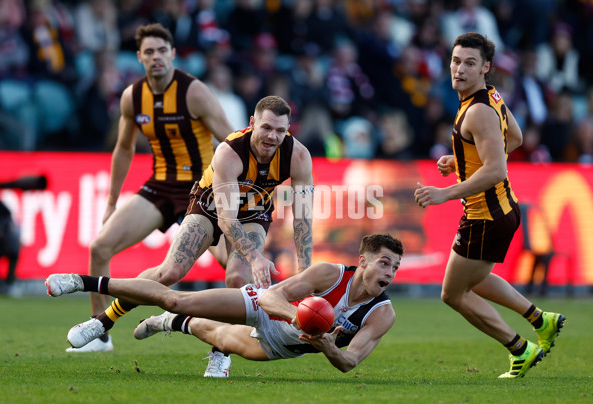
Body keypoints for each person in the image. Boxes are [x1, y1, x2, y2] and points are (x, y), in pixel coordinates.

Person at [63, 95, 315, 377]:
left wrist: (306, 273)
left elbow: (303, 218)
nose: (272, 137)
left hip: (254, 211)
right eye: (267, 128)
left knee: (237, 279)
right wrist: (255, 257)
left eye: (280, 131)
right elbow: (226, 218)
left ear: (289, 129)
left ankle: (220, 353)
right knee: (170, 272)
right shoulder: (230, 152)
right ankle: (103, 320)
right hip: (211, 206)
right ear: (252, 123)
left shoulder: (299, 156)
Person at [72, 23, 234, 353]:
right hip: (160, 186)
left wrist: (234, 196)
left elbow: (233, 142)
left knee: (234, 266)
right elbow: (124, 149)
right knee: (99, 247)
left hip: (201, 190)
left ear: (173, 54)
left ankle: (258, 324)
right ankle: (99, 336)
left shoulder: (194, 92)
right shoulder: (133, 96)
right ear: (139, 57)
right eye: (149, 52)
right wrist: (112, 202)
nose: (156, 57)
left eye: (162, 50)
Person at [414, 32, 566, 379]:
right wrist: (463, 161)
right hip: (500, 210)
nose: (460, 69)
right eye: (455, 61)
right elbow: (515, 138)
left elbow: (496, 168)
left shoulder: (478, 111)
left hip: (486, 216)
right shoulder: (488, 97)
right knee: (476, 280)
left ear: (486, 67)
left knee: (452, 294)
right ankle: (542, 320)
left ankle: (519, 348)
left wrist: (443, 193)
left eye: (470, 63)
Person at [45, 233, 402, 374]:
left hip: (283, 345)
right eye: (385, 262)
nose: (390, 271)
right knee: (177, 298)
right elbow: (270, 295)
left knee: (216, 335)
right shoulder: (330, 274)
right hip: (266, 309)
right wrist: (300, 317)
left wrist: (326, 345)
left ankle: (166, 324)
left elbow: (349, 362)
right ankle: (82, 282)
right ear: (365, 261)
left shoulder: (382, 314)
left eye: (396, 266)